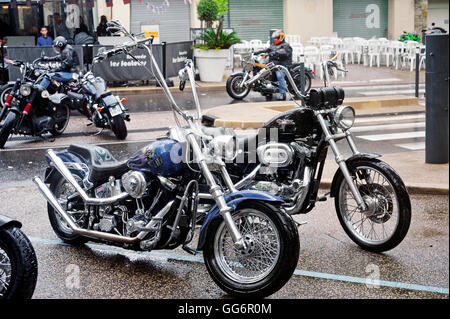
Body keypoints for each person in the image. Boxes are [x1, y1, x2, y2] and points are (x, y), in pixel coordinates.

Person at [255, 29, 292, 100]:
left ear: (281, 37)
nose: (275, 39)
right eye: (274, 38)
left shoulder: (285, 45)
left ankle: (283, 93)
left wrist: (276, 53)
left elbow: (284, 53)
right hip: (274, 65)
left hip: (282, 66)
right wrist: (257, 52)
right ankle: (267, 90)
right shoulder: (273, 45)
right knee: (264, 73)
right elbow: (266, 50)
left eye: (276, 38)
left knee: (279, 75)